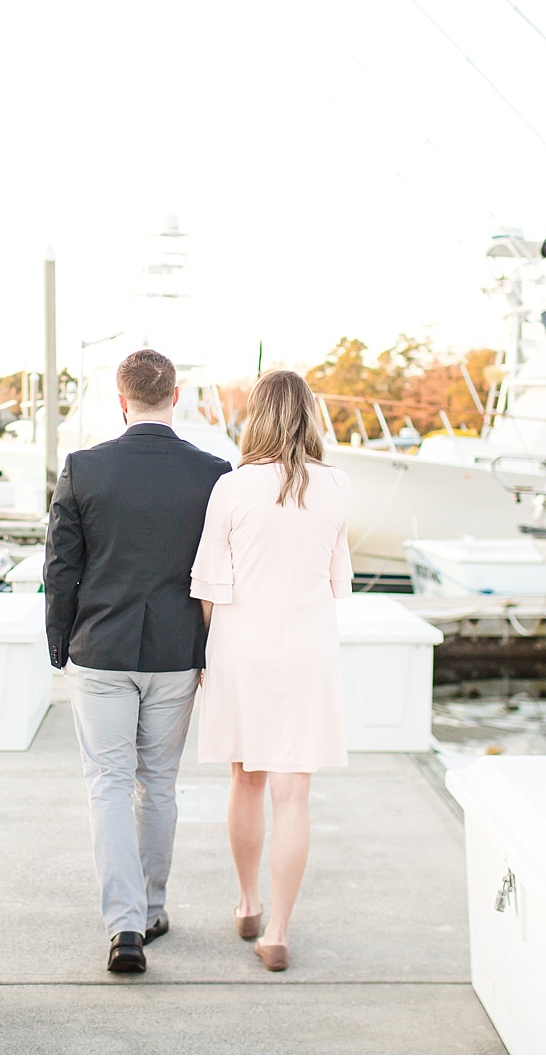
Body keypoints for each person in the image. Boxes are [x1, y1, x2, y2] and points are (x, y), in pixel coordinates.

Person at [43, 348, 232, 975]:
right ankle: (151, 909)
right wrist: (211, 650)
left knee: (108, 784)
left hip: (100, 650)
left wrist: (58, 644)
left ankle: (123, 925)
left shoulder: (84, 468)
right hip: (176, 653)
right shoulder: (212, 474)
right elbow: (218, 575)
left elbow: (61, 568)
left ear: (120, 401)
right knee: (159, 787)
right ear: (175, 396)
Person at [190, 369, 351, 972]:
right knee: (294, 793)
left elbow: (207, 583)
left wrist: (206, 655)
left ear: (255, 416)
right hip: (308, 647)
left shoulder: (231, 487)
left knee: (246, 779)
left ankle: (248, 901)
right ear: (310, 415)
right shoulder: (337, 486)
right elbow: (339, 581)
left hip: (240, 645)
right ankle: (279, 931)